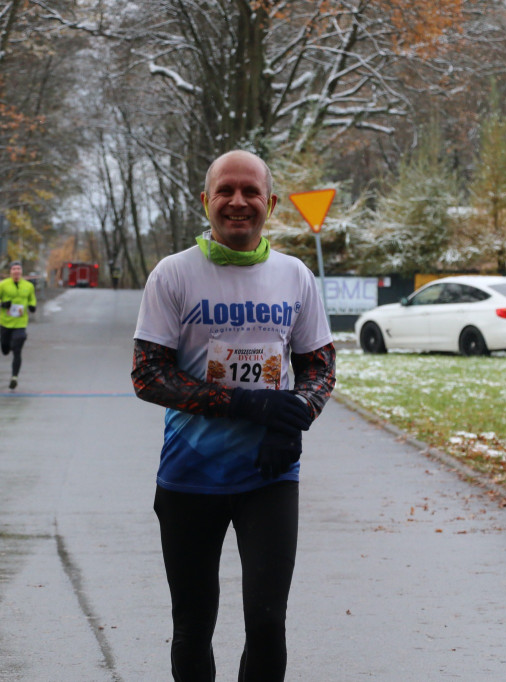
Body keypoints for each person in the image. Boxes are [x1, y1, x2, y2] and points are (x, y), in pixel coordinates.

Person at [131, 149, 335, 681]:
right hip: (189, 475)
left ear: (269, 203)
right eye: (225, 191)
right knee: (193, 625)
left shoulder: (295, 276)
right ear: (206, 201)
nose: (237, 202)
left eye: (250, 192)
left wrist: (295, 416)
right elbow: (148, 375)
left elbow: (321, 367)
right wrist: (244, 403)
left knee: (268, 625)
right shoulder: (173, 275)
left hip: (269, 476)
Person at [0, 261, 37, 389]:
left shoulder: (28, 286)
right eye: (14, 269)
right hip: (5, 322)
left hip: (20, 322)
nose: (16, 271)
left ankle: (14, 377)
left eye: (18, 269)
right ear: (10, 272)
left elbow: (32, 298)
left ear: (21, 272)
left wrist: (32, 306)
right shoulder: (3, 285)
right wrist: (1, 304)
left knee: (17, 348)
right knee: (5, 350)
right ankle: (7, 345)